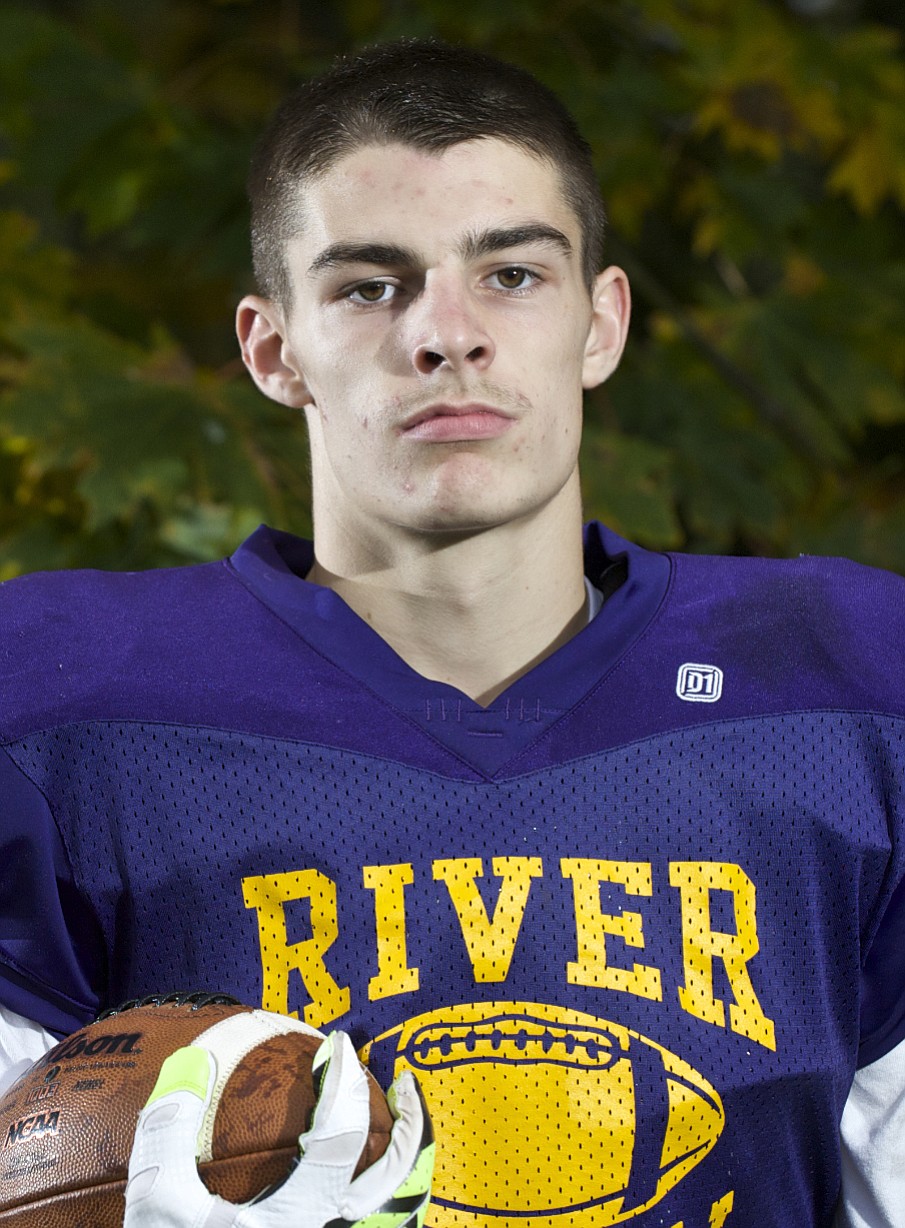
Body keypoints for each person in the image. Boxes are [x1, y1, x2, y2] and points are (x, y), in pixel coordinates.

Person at [0, 37, 902, 1228]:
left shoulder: (845, 685)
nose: (445, 334)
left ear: (600, 321)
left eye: (512, 275)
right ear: (274, 350)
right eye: (369, 285)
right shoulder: (63, 704)